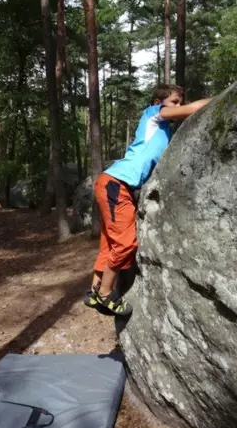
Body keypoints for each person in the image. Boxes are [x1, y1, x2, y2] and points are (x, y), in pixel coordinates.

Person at [84, 84, 212, 316]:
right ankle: (104, 295)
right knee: (124, 243)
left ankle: (94, 292)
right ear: (157, 102)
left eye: (180, 101)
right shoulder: (153, 114)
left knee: (111, 243)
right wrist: (221, 97)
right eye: (174, 101)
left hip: (114, 184)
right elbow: (192, 109)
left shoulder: (164, 131)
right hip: (116, 183)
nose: (178, 106)